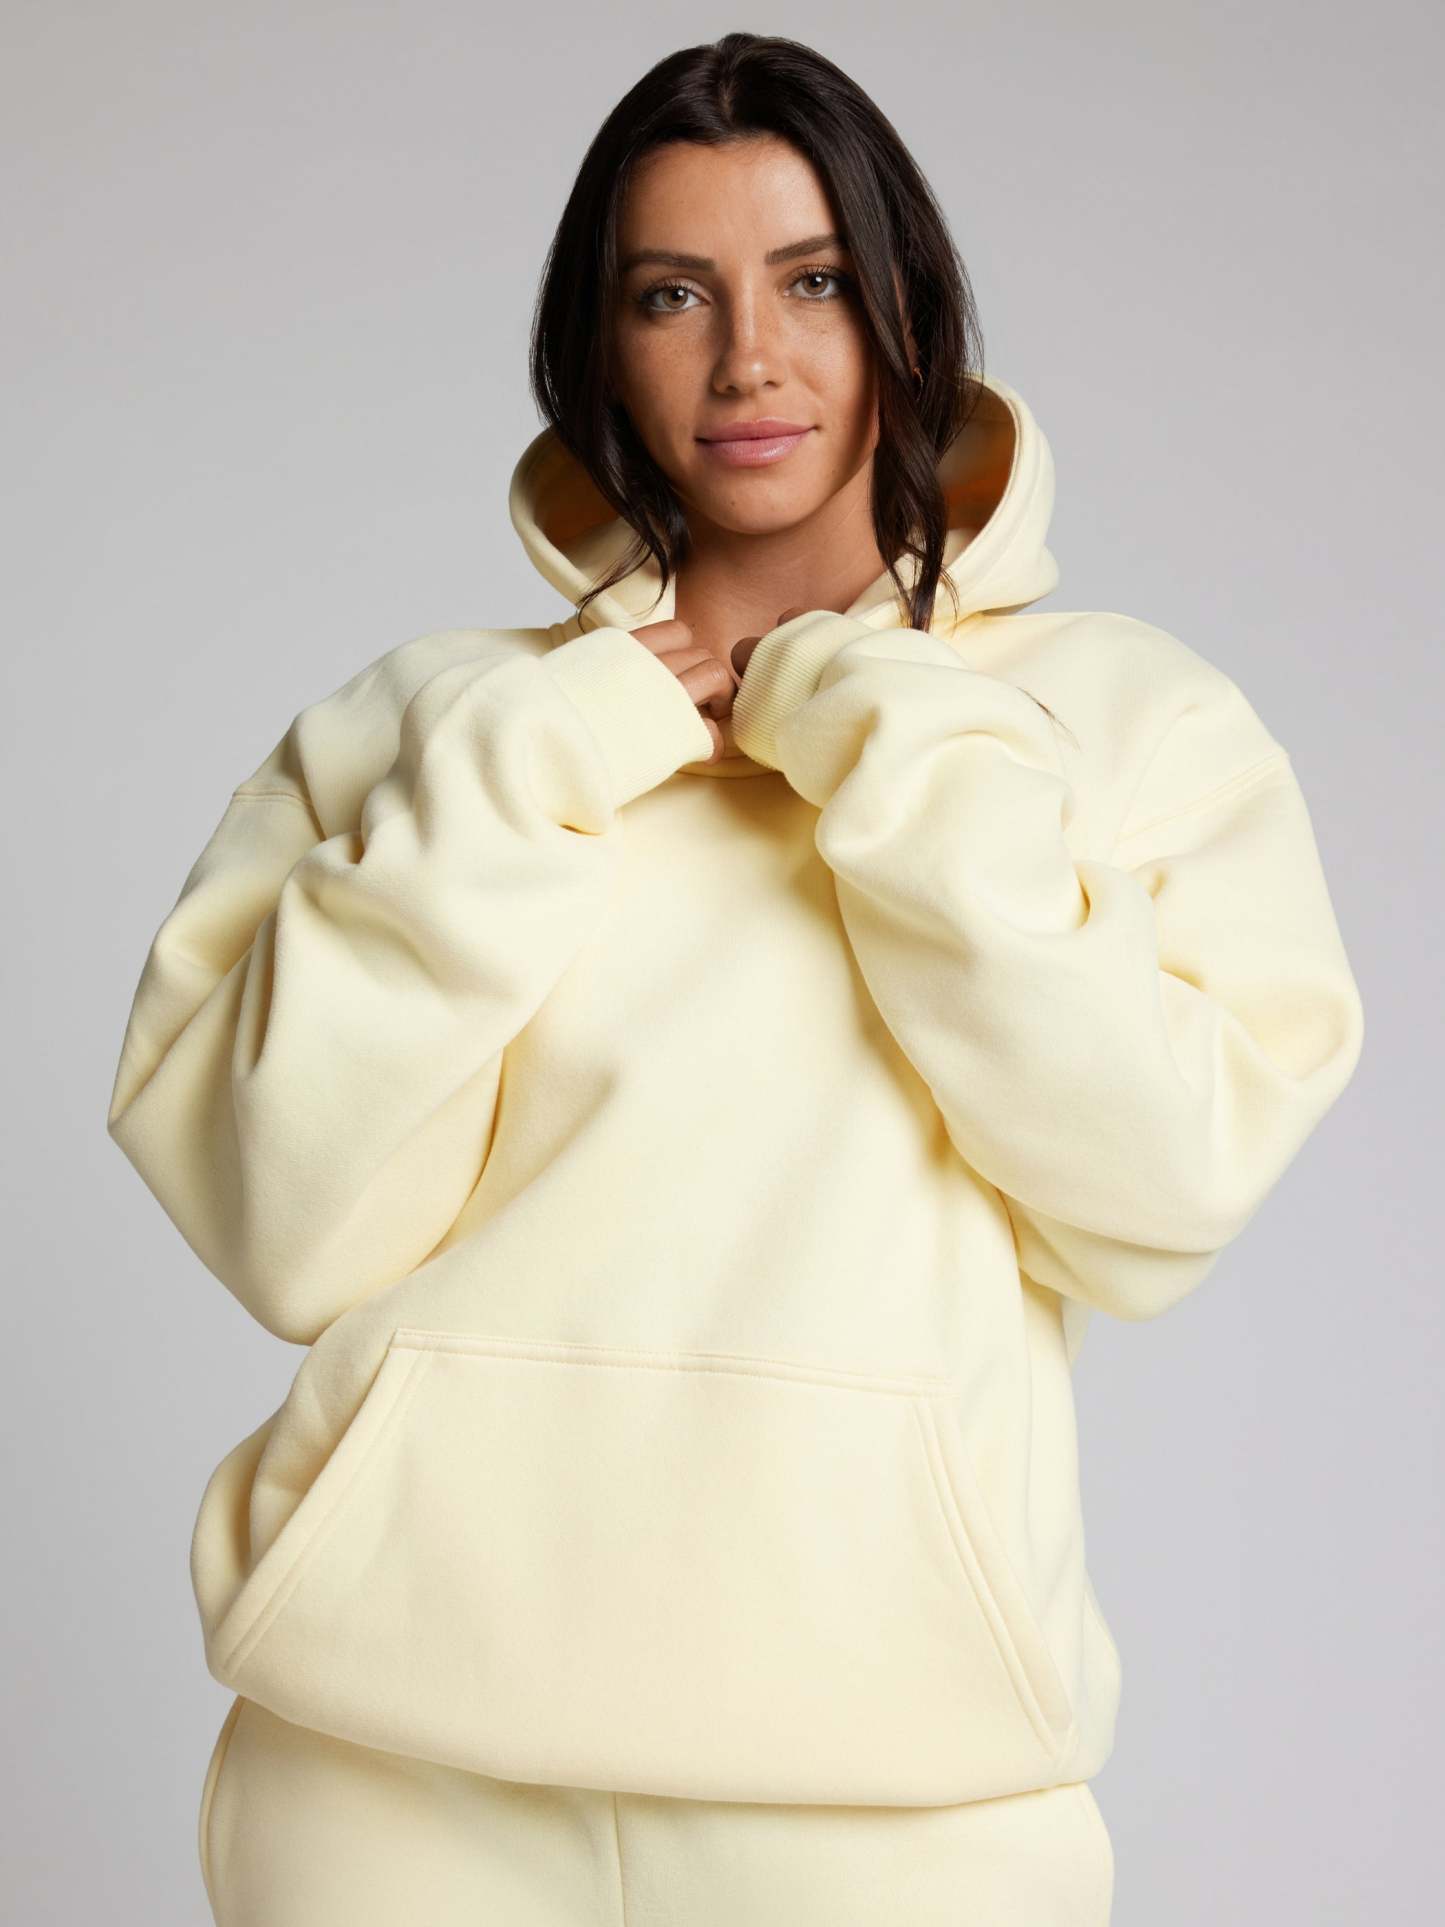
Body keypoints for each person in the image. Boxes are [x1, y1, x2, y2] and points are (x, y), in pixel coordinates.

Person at [104, 29, 1365, 1927]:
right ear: (597, 345)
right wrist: (535, 771)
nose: (747, 360)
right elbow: (279, 1223)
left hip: (895, 1781)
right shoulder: (433, 726)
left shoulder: (1116, 724)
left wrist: (899, 752)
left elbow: (1154, 1195)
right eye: (670, 294)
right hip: (385, 1772)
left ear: (909, 315)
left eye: (815, 282)